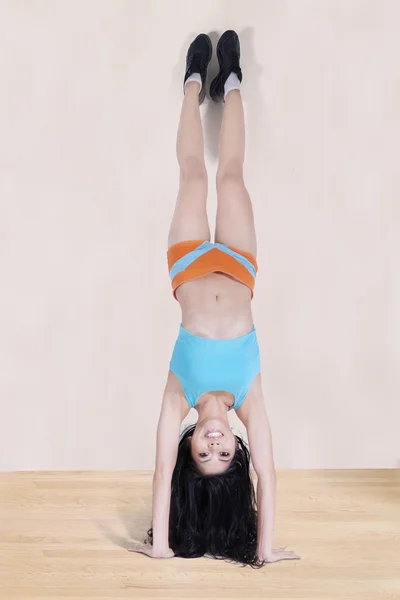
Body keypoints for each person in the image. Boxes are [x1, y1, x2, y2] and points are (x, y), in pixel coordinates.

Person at [129, 30, 300, 567]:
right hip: (240, 267)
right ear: (235, 450)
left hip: (188, 264)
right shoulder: (248, 400)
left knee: (192, 177)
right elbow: (267, 476)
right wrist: (264, 548)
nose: (214, 444)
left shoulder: (180, 394)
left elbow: (161, 475)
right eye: (224, 454)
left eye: (203, 454)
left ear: (189, 451)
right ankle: (231, 84)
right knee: (230, 178)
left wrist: (162, 546)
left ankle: (193, 81)